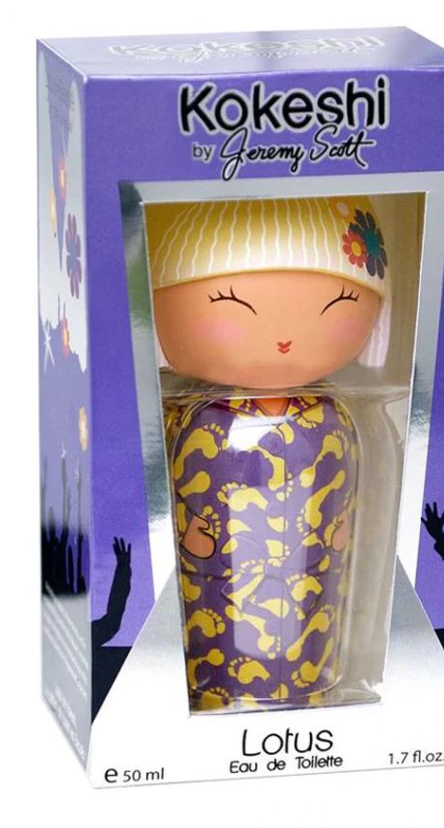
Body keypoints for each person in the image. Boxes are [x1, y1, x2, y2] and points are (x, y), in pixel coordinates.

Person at [145, 196, 389, 711]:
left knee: (320, 592)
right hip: (208, 659)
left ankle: (302, 693)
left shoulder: (332, 420)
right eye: (232, 304)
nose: (283, 339)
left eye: (335, 305)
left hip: (314, 653)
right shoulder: (198, 421)